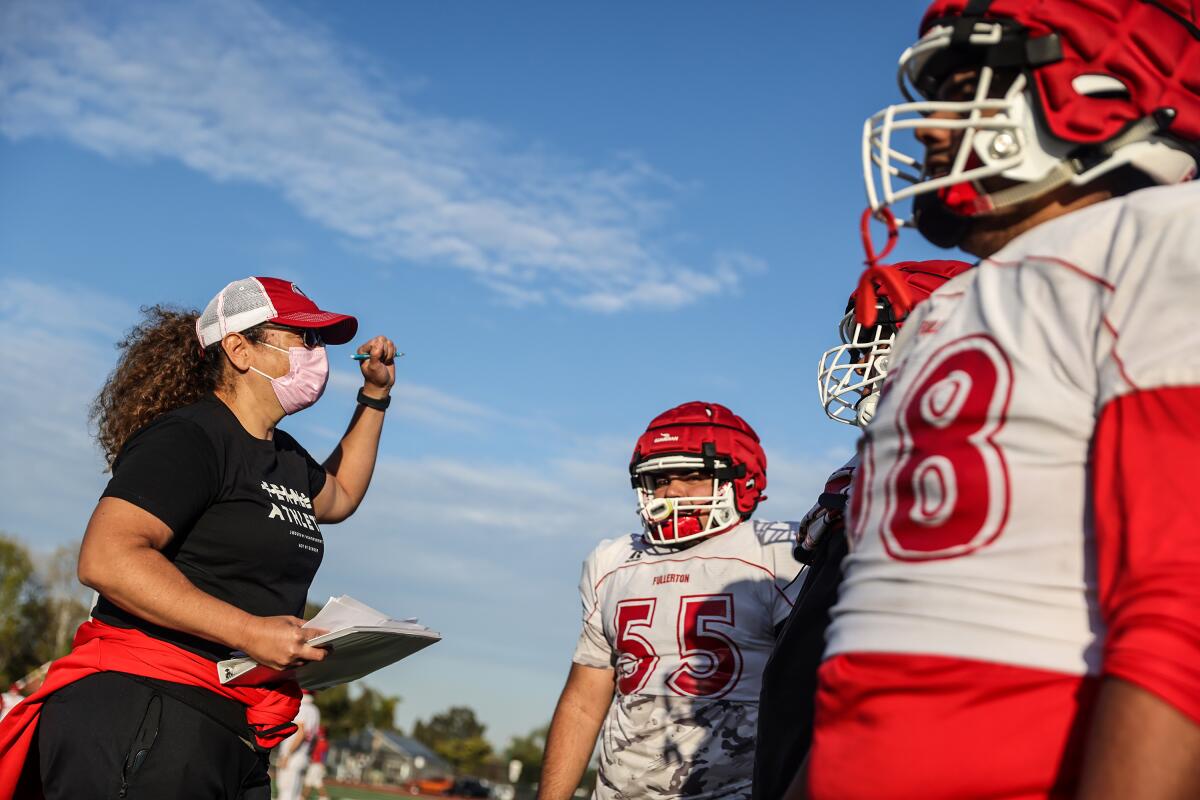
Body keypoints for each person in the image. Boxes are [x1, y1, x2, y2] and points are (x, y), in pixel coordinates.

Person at [804, 2, 1200, 798]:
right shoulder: (947, 310)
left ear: (1094, 89)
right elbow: (872, 639)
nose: (930, 127)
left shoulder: (1162, 237)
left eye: (963, 87)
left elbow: (1182, 606)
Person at [0, 276, 397, 799]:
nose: (316, 356)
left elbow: (342, 494)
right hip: (145, 714)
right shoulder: (190, 436)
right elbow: (107, 557)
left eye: (320, 342)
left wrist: (374, 396)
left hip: (229, 729)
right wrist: (249, 631)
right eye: (303, 338)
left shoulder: (287, 457)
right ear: (238, 348)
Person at [751, 259, 970, 800]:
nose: (861, 361)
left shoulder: (962, 470)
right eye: (861, 342)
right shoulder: (861, 474)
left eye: (882, 336)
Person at [538, 402, 806, 800]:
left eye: (693, 476)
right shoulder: (612, 562)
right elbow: (583, 701)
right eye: (659, 478)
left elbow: (807, 696)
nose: (672, 491)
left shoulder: (778, 553)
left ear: (742, 481)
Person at [276, 691, 321, 800]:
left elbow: (300, 733)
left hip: (294, 756)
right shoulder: (315, 710)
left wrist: (287, 754)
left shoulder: (301, 707)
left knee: (286, 793)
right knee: (296, 794)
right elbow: (314, 737)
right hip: (303, 755)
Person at [302, 724, 331, 800]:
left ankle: (324, 798)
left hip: (316, 765)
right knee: (310, 782)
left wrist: (322, 764)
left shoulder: (322, 743)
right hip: (315, 765)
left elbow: (323, 755)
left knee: (315, 783)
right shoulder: (322, 742)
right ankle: (303, 797)